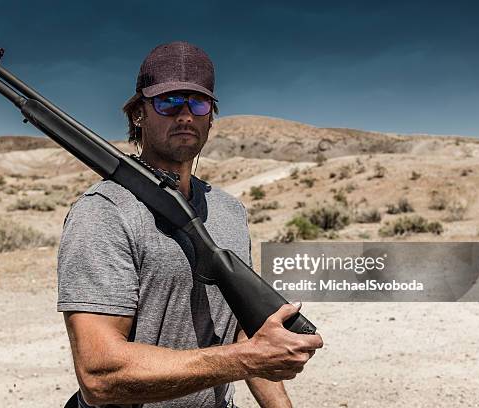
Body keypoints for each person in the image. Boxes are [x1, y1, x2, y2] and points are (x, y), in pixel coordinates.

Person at [57, 41, 323, 408]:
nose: (185, 115)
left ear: (210, 116)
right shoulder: (104, 211)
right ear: (138, 114)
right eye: (168, 102)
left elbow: (248, 335)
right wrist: (245, 358)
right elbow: (99, 376)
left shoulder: (229, 211)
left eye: (198, 104)